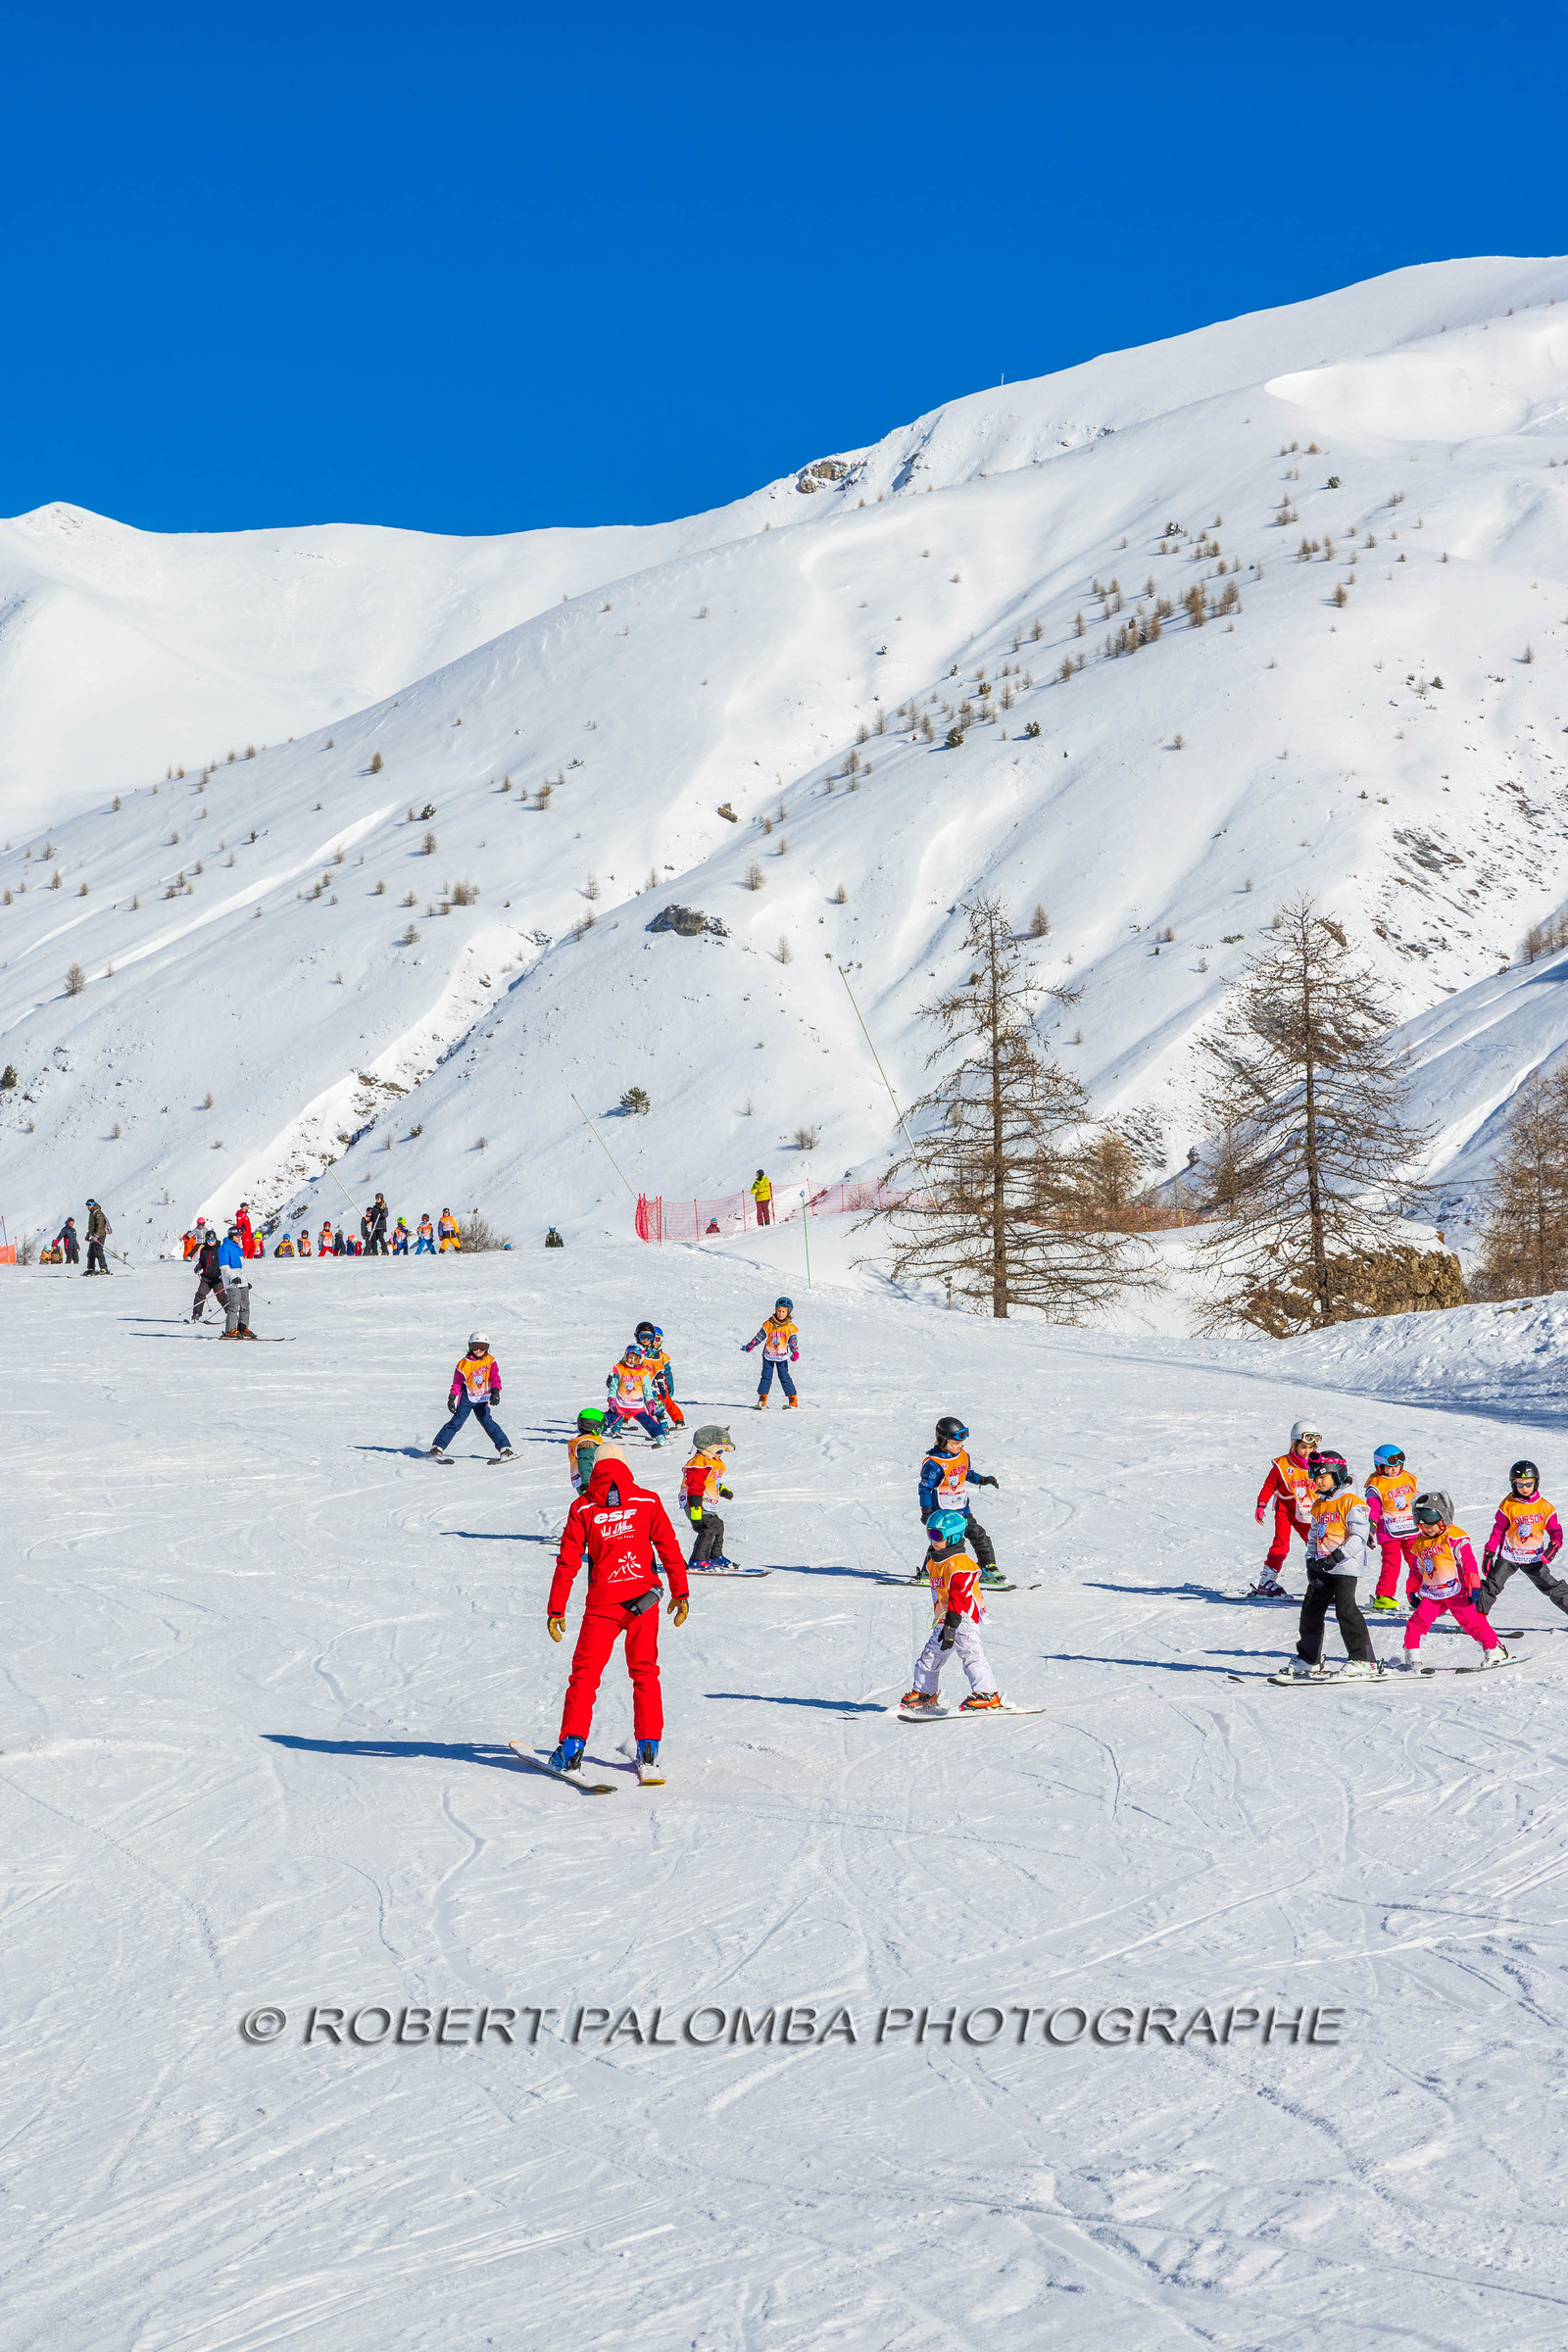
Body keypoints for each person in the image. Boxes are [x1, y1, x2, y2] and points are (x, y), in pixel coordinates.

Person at [545, 1444, 689, 1779]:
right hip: (645, 1602)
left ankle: (571, 1749)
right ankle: (649, 1747)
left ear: (594, 1469)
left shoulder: (583, 1507)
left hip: (603, 1605)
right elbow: (669, 1547)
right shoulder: (647, 1500)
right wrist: (681, 1593)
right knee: (645, 1672)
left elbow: (567, 1562)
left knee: (584, 1676)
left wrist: (556, 1609)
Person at [1278, 1449, 1377, 1681]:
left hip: (1344, 1568)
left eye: (1322, 1477)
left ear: (1338, 1475)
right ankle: (1309, 1659)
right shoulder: (1319, 1504)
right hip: (1322, 1567)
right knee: (1310, 1611)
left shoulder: (1352, 1502)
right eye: (1315, 1478)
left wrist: (1335, 1558)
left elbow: (1358, 1538)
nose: (1317, 1482)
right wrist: (1310, 1562)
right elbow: (1313, 1536)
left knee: (1346, 1610)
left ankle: (1364, 1660)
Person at [902, 1511, 1003, 1713]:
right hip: (944, 1616)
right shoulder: (935, 1560)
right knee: (931, 1654)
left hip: (962, 1617)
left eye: (937, 1536)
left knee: (970, 1652)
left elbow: (960, 1597)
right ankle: (925, 1693)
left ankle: (988, 1694)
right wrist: (945, 1623)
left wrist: (951, 1625)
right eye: (930, 1534)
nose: (932, 1540)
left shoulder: (960, 1564)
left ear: (954, 1537)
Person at [1396, 1493, 1508, 1670]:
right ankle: (1412, 1654)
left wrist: (1473, 1584)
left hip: (1457, 1591)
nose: (1426, 1526)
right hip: (1433, 1594)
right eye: (1420, 1521)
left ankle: (1495, 1650)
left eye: (1430, 1519)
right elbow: (1416, 1569)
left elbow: (1468, 1562)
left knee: (1473, 1622)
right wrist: (1411, 1589)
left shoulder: (1453, 1537)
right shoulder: (1420, 1543)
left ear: (1443, 1517)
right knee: (1417, 1621)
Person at [1476, 1461, 1568, 1620]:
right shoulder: (1508, 1505)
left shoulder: (1544, 1507)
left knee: (1551, 1587)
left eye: (1528, 1483)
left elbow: (1555, 1531)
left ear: (1536, 1482)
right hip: (1509, 1556)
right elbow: (1498, 1531)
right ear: (1513, 1484)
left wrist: (1553, 1546)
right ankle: (1476, 1619)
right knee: (1492, 1585)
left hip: (1533, 1558)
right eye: (1519, 1484)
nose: (1524, 1487)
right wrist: (1489, 1553)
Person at [918, 1416, 1004, 1587]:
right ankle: (929, 1572)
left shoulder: (963, 1455)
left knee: (979, 1535)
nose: (960, 1446)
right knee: (945, 1542)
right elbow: (925, 1488)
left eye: (961, 1443)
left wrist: (982, 1480)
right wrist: (926, 1511)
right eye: (955, 1443)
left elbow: (967, 1473)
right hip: (942, 1512)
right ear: (943, 1441)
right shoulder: (934, 1464)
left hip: (961, 1508)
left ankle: (988, 1567)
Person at [1252, 1420, 1321, 1597]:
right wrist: (1261, 1504)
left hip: (1307, 1512)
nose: (1308, 1452)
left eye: (1311, 1447)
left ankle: (1322, 1582)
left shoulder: (1317, 1465)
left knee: (1316, 1545)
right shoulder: (1282, 1465)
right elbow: (1269, 1486)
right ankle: (1267, 1581)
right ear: (1294, 1444)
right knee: (1281, 1545)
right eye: (1304, 1447)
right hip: (1285, 1510)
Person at [429, 1333, 514, 1458]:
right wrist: (452, 1398)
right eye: (475, 1346)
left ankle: (505, 1449)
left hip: (483, 1398)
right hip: (467, 1399)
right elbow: (457, 1383)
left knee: (488, 1423)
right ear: (470, 1346)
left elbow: (495, 1378)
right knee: (456, 1422)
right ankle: (437, 1447)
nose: (478, 1350)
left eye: (482, 1346)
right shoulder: (463, 1364)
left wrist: (496, 1391)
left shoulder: (490, 1361)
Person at [1366, 1445, 1421, 1612]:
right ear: (1379, 1467)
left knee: (1417, 1562)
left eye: (1397, 1466)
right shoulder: (1376, 1485)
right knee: (1392, 1563)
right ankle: (1384, 1597)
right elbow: (1373, 1509)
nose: (1394, 1470)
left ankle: (1422, 1593)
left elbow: (1417, 1500)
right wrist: (1370, 1528)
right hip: (1389, 1533)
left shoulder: (1409, 1478)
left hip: (1411, 1529)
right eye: (1390, 1467)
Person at [682, 1424, 737, 1569]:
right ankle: (698, 1559)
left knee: (718, 1526)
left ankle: (715, 1556)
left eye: (722, 1452)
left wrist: (723, 1490)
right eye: (718, 1451)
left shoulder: (714, 1463)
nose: (720, 1454)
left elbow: (713, 1481)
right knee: (708, 1529)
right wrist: (695, 1507)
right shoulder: (700, 1463)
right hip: (696, 1503)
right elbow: (695, 1485)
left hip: (707, 1503)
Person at [743, 1297, 800, 1407]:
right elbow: (759, 1337)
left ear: (788, 1313)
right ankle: (762, 1399)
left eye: (783, 1311)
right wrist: (750, 1346)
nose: (780, 1313)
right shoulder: (768, 1324)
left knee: (784, 1376)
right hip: (768, 1355)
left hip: (781, 1356)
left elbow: (792, 1342)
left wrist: (795, 1352)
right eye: (778, 1311)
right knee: (766, 1376)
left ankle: (792, 1399)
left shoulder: (790, 1328)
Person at [605, 1343, 666, 1443]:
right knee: (608, 1418)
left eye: (635, 1359)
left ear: (640, 1359)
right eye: (630, 1358)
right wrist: (611, 1399)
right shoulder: (621, 1369)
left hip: (637, 1405)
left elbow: (647, 1389)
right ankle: (595, 1433)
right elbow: (614, 1386)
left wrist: (650, 1402)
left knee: (648, 1421)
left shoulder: (643, 1372)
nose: (632, 1361)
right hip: (620, 1404)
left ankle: (660, 1437)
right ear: (626, 1356)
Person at [635, 1321, 685, 1428]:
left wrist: (669, 1386)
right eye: (654, 1339)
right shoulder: (643, 1353)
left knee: (667, 1402)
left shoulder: (662, 1356)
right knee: (634, 1401)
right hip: (644, 1384)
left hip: (659, 1385)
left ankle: (679, 1420)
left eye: (657, 1340)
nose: (654, 1343)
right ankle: (624, 1420)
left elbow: (667, 1373)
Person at [190, 1227, 228, 1322]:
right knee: (200, 1295)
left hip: (217, 1279)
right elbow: (202, 1262)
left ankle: (231, 1314)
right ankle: (196, 1315)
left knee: (221, 1297)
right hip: (206, 1278)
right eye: (208, 1240)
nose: (210, 1242)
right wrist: (198, 1267)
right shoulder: (204, 1250)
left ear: (215, 1239)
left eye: (212, 1240)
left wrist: (221, 1273)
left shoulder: (220, 1249)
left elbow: (224, 1263)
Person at [568, 1407, 608, 1494]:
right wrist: (587, 1482)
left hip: (582, 1481)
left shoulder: (580, 1441)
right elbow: (585, 1462)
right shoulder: (587, 1444)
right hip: (589, 1484)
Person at [84, 1200, 111, 1275]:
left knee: (98, 1251)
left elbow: (99, 1226)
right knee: (91, 1253)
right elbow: (92, 1226)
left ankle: (104, 1269)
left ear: (93, 1204)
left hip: (100, 1235)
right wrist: (89, 1235)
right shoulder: (92, 1213)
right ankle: (91, 1269)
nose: (88, 1207)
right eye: (87, 1205)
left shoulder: (98, 1213)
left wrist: (96, 1236)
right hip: (94, 1236)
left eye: (89, 1205)